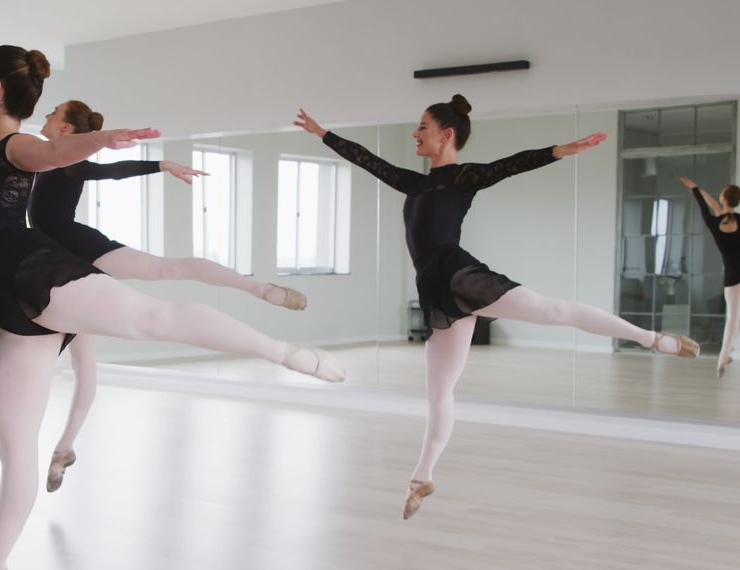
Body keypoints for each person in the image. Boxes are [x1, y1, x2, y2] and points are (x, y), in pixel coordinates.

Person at [0, 40, 343, 570]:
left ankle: (287, 354)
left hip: (33, 272)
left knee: (154, 317)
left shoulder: (18, 147)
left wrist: (102, 140)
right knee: (15, 455)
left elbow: (56, 154)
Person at [294, 95, 698, 520]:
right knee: (438, 392)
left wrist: (559, 151)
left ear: (446, 135)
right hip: (435, 290)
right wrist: (324, 134)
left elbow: (511, 164)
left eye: (423, 127)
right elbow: (368, 161)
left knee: (553, 311)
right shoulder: (413, 182)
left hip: (458, 274)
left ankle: (654, 339)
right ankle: (422, 478)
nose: (415, 133)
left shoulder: (464, 177)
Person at [0, 81, 309, 492]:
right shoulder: (24, 151)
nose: (49, 115)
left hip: (80, 254)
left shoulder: (66, 159)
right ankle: (64, 450)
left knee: (168, 270)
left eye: (56, 112)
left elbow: (107, 170)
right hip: (46, 274)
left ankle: (258, 289)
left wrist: (159, 166)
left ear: (67, 129)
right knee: (83, 367)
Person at [681, 176, 740, 377]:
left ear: (724, 198)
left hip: (732, 277)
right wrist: (698, 189)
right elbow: (717, 207)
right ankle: (728, 351)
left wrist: (697, 191)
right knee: (736, 319)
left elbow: (708, 208)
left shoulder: (714, 223)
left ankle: (723, 355)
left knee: (732, 317)